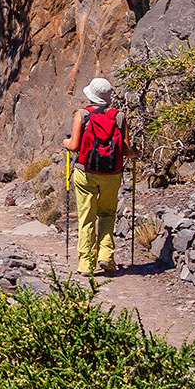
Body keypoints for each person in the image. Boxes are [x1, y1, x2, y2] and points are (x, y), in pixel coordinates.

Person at [64, 77, 129, 276]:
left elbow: (74, 146)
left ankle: (85, 264)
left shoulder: (82, 115)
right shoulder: (119, 116)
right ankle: (106, 256)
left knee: (86, 216)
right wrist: (136, 153)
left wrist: (65, 143)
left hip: (86, 171)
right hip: (111, 173)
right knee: (108, 214)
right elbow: (126, 150)